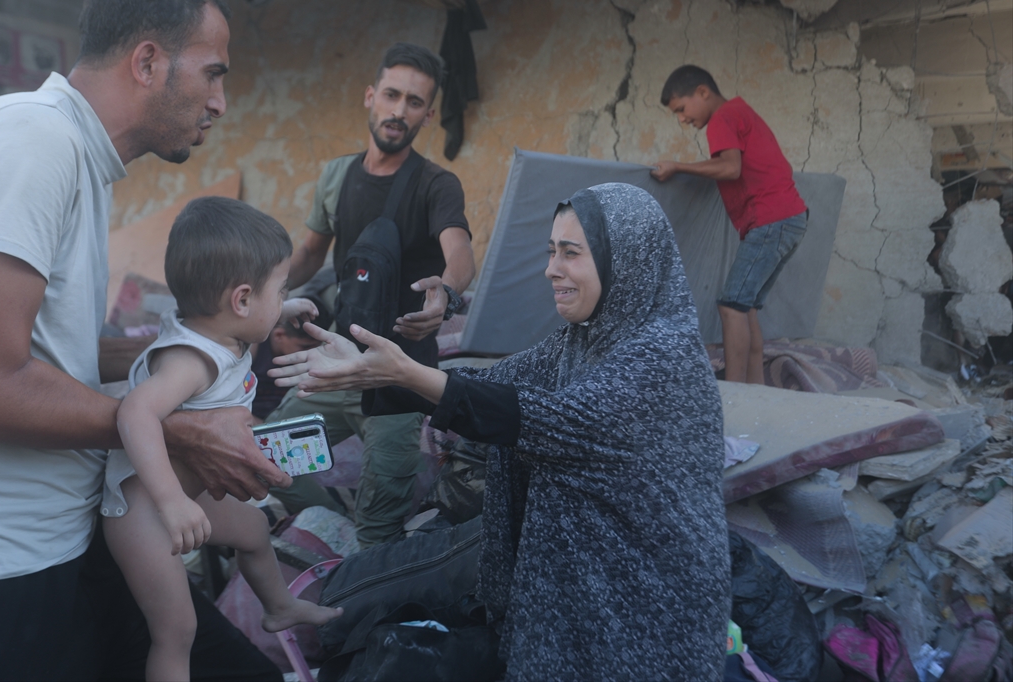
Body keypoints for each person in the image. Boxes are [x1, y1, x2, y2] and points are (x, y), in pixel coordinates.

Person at [0, 0, 288, 682]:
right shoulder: (33, 143)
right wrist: (167, 428)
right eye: (212, 74)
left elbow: (46, 354)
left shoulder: (78, 159)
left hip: (58, 549)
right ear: (147, 61)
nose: (219, 101)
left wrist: (203, 350)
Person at [270, 183, 731, 681]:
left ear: (630, 261)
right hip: (585, 590)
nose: (552, 269)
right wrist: (373, 369)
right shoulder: (583, 340)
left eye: (571, 254)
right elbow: (489, 386)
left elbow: (537, 418)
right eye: (551, 251)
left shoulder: (662, 360)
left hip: (645, 605)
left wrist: (400, 372)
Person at [103, 197, 342, 682]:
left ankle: (280, 608)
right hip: (142, 510)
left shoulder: (224, 329)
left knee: (254, 532)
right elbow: (134, 412)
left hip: (182, 497)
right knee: (177, 630)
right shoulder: (190, 362)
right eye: (281, 289)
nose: (282, 300)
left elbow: (247, 326)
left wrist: (280, 309)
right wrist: (171, 502)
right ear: (242, 300)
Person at [270, 42, 475, 548]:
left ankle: (360, 578)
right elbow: (311, 256)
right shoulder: (337, 176)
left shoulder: (436, 184)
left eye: (413, 102)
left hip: (397, 375)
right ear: (370, 96)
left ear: (428, 115)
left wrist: (445, 292)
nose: (398, 110)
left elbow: (461, 254)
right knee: (269, 458)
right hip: (340, 361)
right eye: (391, 95)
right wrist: (261, 299)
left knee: (378, 531)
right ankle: (336, 543)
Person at [651, 65, 808, 384]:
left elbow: (730, 167)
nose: (681, 119)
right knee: (745, 307)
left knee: (731, 307)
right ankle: (757, 389)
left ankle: (735, 394)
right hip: (789, 218)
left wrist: (678, 167)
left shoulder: (722, 117)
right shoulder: (740, 111)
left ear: (703, 93)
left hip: (771, 218)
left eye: (681, 109)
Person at [250, 294, 332, 422]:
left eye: (316, 348)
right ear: (279, 335)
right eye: (305, 347)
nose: (311, 354)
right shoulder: (252, 348)